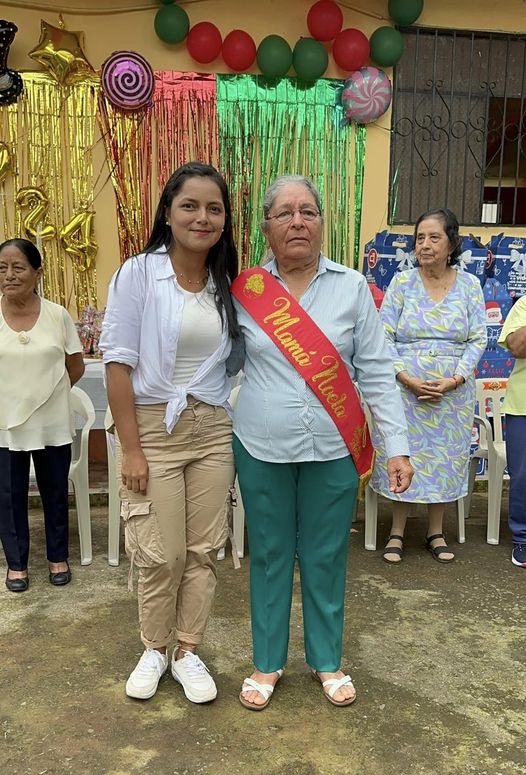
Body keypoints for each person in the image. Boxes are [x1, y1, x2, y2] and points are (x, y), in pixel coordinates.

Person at [230, 174, 413, 710]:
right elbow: (220, 364)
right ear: (266, 227)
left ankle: (326, 659)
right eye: (284, 213)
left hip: (335, 447)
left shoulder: (352, 287)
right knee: (269, 554)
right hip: (261, 445)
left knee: (326, 554)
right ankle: (267, 662)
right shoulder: (246, 290)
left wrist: (397, 446)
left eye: (308, 212)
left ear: (322, 223)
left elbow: (376, 371)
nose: (297, 222)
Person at [100, 162, 241, 703]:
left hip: (211, 428)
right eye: (190, 206)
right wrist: (131, 450)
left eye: (214, 209)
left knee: (203, 549)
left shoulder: (226, 283)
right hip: (153, 429)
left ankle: (186, 650)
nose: (202, 218)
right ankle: (154, 648)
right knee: (161, 553)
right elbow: (117, 365)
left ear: (225, 221)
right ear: (167, 213)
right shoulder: (138, 274)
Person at [370, 208, 487, 565]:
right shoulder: (402, 283)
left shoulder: (470, 285)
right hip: (406, 392)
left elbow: (478, 338)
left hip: (452, 395)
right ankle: (397, 531)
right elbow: (383, 336)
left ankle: (436, 532)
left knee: (443, 460)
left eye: (434, 237)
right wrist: (406, 378)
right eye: (420, 238)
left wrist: (454, 379)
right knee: (403, 454)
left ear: (451, 243)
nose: (425, 244)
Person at [0, 238, 85, 592]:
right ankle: (16, 564)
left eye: (18, 268)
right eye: (2, 269)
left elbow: (75, 365)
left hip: (52, 422)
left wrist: (47, 395)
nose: (9, 275)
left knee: (54, 491)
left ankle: (58, 557)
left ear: (37, 273)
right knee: (9, 495)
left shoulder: (57, 315)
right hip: (6, 424)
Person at [497, 295, 526, 568]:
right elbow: (517, 347)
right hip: (523, 405)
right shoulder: (524, 305)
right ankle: (523, 538)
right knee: (523, 476)